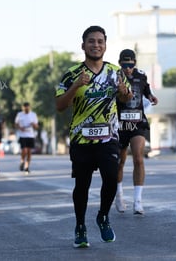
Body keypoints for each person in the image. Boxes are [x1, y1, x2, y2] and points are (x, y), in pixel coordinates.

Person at [56, 25, 133, 248]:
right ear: (83, 45)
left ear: (105, 45)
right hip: (81, 139)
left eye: (100, 41)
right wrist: (76, 86)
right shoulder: (72, 74)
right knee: (82, 185)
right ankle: (80, 226)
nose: (96, 45)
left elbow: (127, 98)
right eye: (92, 41)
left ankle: (103, 216)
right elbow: (60, 105)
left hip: (108, 137)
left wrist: (123, 92)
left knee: (111, 177)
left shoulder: (115, 71)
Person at [115, 49, 158, 215]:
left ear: (135, 63)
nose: (128, 69)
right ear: (120, 63)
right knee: (120, 161)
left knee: (139, 159)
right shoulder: (114, 76)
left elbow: (146, 89)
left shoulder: (141, 75)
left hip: (138, 121)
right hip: (119, 124)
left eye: (130, 65)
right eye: (125, 65)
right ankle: (119, 196)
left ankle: (138, 201)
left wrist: (150, 96)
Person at [15, 102, 38, 174]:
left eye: (27, 107)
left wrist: (33, 124)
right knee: (24, 150)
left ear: (29, 107)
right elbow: (16, 124)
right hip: (22, 135)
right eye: (25, 108)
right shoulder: (19, 114)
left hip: (30, 135)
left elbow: (36, 126)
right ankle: (22, 161)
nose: (26, 109)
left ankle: (27, 166)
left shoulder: (33, 115)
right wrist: (20, 128)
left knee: (29, 152)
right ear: (23, 108)